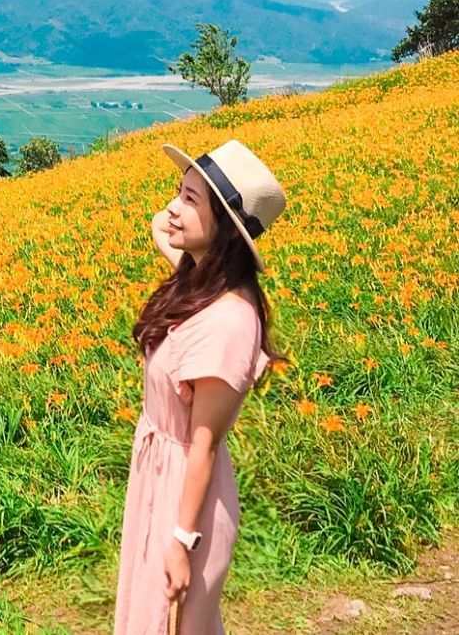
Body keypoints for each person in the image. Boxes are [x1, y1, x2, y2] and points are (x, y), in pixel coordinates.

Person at [113, 139, 290, 634]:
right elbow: (159, 226)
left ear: (227, 233)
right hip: (158, 474)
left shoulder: (228, 322)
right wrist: (190, 205)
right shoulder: (199, 283)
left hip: (186, 495)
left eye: (190, 200)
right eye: (177, 192)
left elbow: (204, 447)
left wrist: (180, 541)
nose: (171, 207)